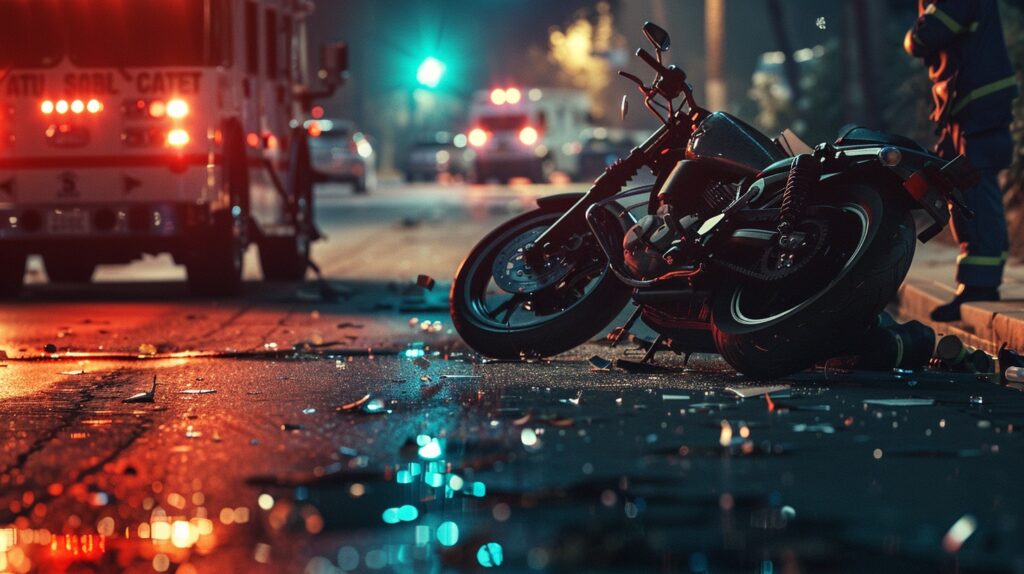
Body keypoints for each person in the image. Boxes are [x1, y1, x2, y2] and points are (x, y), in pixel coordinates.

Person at [903, 0, 1019, 322]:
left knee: (974, 188)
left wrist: (913, 35)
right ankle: (975, 282)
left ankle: (980, 284)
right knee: (963, 188)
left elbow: (928, 36)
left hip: (976, 104)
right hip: (966, 104)